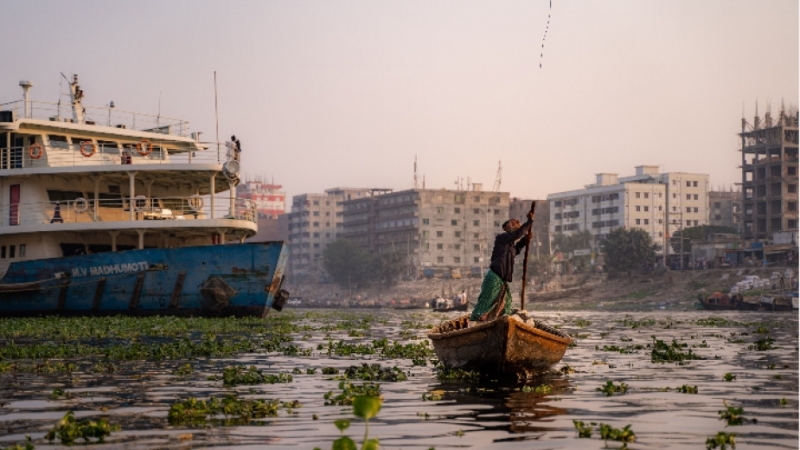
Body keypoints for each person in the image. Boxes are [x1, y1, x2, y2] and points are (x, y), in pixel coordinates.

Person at [469, 210, 534, 322]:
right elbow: (517, 234)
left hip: (502, 280)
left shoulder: (511, 247)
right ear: (508, 228)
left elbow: (517, 248)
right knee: (486, 301)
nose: (515, 223)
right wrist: (529, 222)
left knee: (506, 302)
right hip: (494, 278)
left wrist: (525, 239)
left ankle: (500, 322)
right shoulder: (501, 238)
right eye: (512, 223)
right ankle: (474, 322)